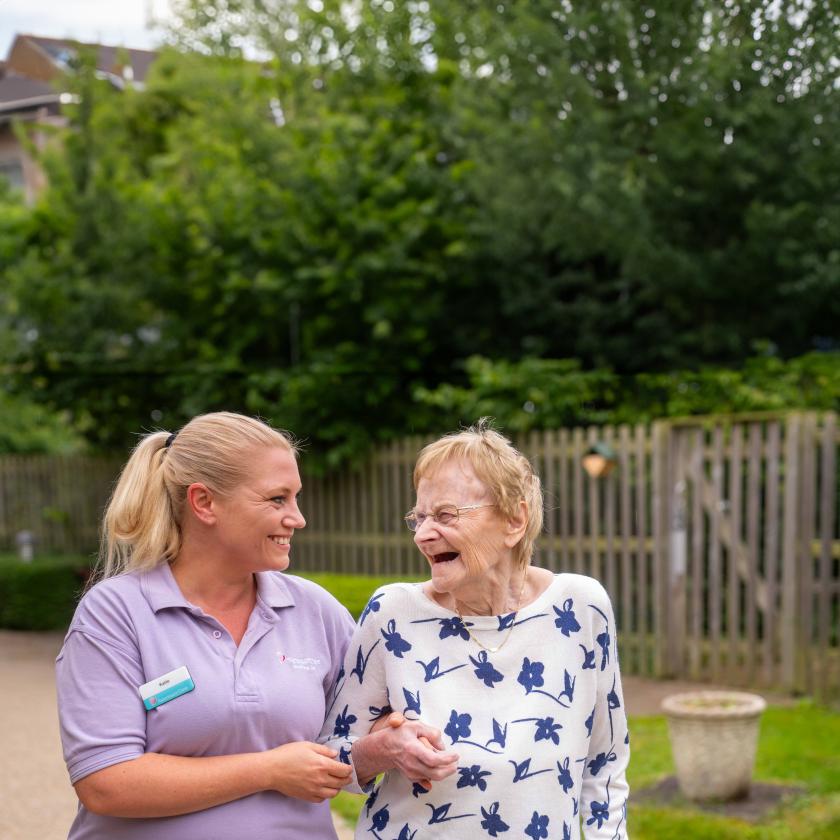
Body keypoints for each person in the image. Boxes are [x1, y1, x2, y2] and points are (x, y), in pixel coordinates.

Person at [56, 412, 360, 839]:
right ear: (204, 503)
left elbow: (358, 735)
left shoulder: (316, 610)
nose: (297, 517)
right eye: (277, 499)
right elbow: (105, 783)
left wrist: (391, 744)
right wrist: (269, 770)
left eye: (295, 498)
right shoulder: (115, 613)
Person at [320, 420, 630, 839]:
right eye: (419, 518)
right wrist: (386, 750)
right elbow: (332, 755)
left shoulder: (580, 607)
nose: (424, 535)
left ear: (515, 520)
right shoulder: (393, 614)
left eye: (445, 515)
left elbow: (605, 763)